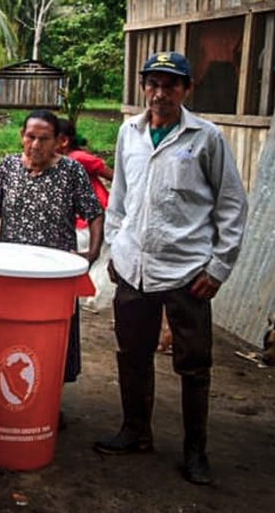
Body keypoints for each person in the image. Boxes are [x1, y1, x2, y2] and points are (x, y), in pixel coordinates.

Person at [94, 52, 248, 485]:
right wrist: (116, 248)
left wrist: (218, 268)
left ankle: (196, 451)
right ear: (143, 86)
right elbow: (120, 197)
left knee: (194, 365)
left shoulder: (206, 137)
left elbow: (232, 204)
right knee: (132, 354)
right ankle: (135, 431)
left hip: (187, 271)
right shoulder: (130, 132)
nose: (160, 93)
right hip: (134, 267)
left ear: (186, 89)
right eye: (153, 84)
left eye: (171, 85)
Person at [0, 109, 105, 422]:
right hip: (12, 272)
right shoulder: (8, 166)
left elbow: (94, 212)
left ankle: (47, 405)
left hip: (54, 275)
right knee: (11, 335)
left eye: (44, 139)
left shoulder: (71, 171)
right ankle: (6, 399)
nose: (35, 145)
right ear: (22, 136)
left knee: (51, 339)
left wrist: (92, 252)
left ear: (58, 142)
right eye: (30, 137)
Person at [58, 118, 116, 314]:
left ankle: (92, 296)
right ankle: (90, 297)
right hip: (83, 215)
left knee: (89, 254)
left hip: (94, 214)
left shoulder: (77, 158)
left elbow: (111, 175)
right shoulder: (60, 161)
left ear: (63, 141)